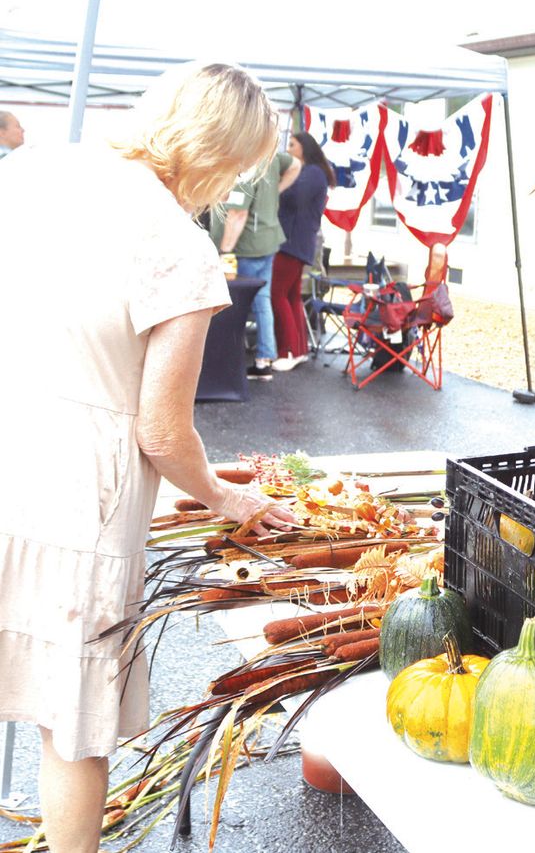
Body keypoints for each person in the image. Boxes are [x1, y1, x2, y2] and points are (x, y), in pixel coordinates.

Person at [0, 61, 298, 853]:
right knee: (74, 724)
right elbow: (161, 434)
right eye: (238, 167)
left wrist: (203, 479)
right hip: (80, 500)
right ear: (220, 154)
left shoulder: (32, 170)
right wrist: (224, 498)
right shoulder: (178, 245)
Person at [210, 145, 301, 379]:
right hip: (268, 241)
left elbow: (237, 215)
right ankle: (263, 360)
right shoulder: (268, 154)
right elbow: (295, 164)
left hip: (248, 247)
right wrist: (276, 192)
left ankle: (228, 362)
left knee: (234, 305)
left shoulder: (245, 171)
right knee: (262, 302)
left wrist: (224, 251)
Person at [271, 130, 332, 371]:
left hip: (292, 241)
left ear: (304, 148)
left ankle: (288, 350)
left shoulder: (313, 173)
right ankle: (299, 349)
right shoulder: (314, 173)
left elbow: (295, 197)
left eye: (293, 145)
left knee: (277, 294)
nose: (288, 149)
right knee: (292, 296)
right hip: (297, 241)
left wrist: (281, 182)